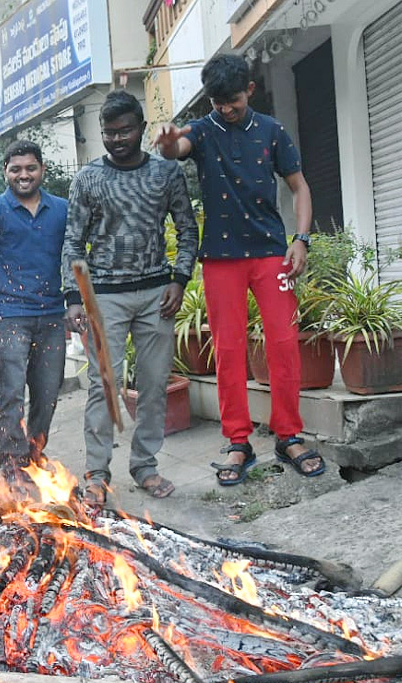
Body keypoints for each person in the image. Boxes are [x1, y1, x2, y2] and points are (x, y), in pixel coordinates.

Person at [154, 54, 326, 483]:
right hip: (220, 259)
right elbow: (179, 148)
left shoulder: (272, 131)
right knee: (228, 351)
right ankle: (238, 442)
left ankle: (289, 435)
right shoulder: (204, 129)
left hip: (271, 253)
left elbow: (299, 186)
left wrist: (300, 240)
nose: (224, 109)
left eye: (231, 101)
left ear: (249, 90)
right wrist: (167, 143)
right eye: (217, 102)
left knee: (284, 343)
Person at [64, 91, 199, 505]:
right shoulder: (88, 178)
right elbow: (73, 242)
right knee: (103, 385)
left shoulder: (166, 174)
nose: (117, 140)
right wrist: (74, 297)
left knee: (156, 384)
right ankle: (96, 472)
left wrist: (179, 279)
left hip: (157, 293)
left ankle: (144, 465)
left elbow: (188, 228)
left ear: (142, 128)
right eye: (109, 133)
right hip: (104, 297)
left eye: (125, 131)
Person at [0, 140, 69, 486]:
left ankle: (36, 453)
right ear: (5, 172)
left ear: (41, 169)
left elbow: (72, 259)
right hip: (9, 314)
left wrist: (76, 305)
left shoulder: (62, 210)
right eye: (16, 169)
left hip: (53, 314)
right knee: (11, 390)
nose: (23, 175)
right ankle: (12, 461)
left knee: (48, 391)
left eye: (30, 168)